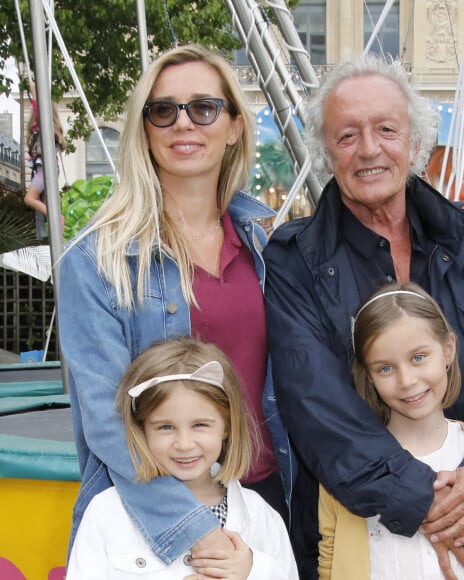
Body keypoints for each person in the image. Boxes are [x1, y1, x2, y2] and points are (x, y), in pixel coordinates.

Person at [263, 53, 464, 580]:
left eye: (386, 129)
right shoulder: (295, 260)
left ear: (414, 144)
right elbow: (316, 408)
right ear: (326, 155)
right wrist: (430, 502)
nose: (369, 148)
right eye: (347, 135)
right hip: (359, 533)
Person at [57, 44, 293, 569]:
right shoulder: (97, 260)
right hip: (152, 516)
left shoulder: (267, 249)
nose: (183, 123)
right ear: (145, 130)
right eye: (163, 110)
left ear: (233, 125)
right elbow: (104, 417)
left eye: (203, 107)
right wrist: (193, 528)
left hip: (263, 503)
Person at [318, 283, 464, 580]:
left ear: (448, 349)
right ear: (367, 375)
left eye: (418, 357)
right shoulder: (350, 462)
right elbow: (330, 557)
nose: (406, 380)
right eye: (385, 368)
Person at [67, 337, 298, 579]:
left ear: (227, 425)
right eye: (165, 427)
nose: (184, 444)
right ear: (141, 428)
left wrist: (253, 572)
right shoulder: (106, 512)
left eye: (200, 425)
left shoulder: (261, 515)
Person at [23, 80, 67, 238]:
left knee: (30, 198)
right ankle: (55, 237)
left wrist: (35, 91)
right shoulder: (48, 133)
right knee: (45, 206)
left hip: (44, 171)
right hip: (47, 172)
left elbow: (39, 111)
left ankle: (57, 220)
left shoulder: (43, 127)